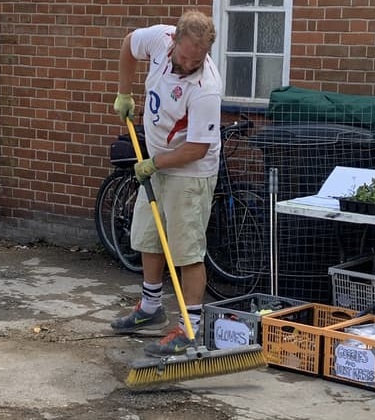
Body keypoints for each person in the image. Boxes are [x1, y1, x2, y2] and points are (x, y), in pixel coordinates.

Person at [111, 9, 222, 358]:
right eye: (186, 56)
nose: (189, 64)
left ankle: (190, 327)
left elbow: (197, 147)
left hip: (190, 172)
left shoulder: (206, 87)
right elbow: (129, 44)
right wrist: (124, 93)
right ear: (174, 41)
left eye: (198, 58)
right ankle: (150, 307)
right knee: (149, 236)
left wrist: (153, 163)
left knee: (187, 251)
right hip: (157, 163)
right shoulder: (159, 41)